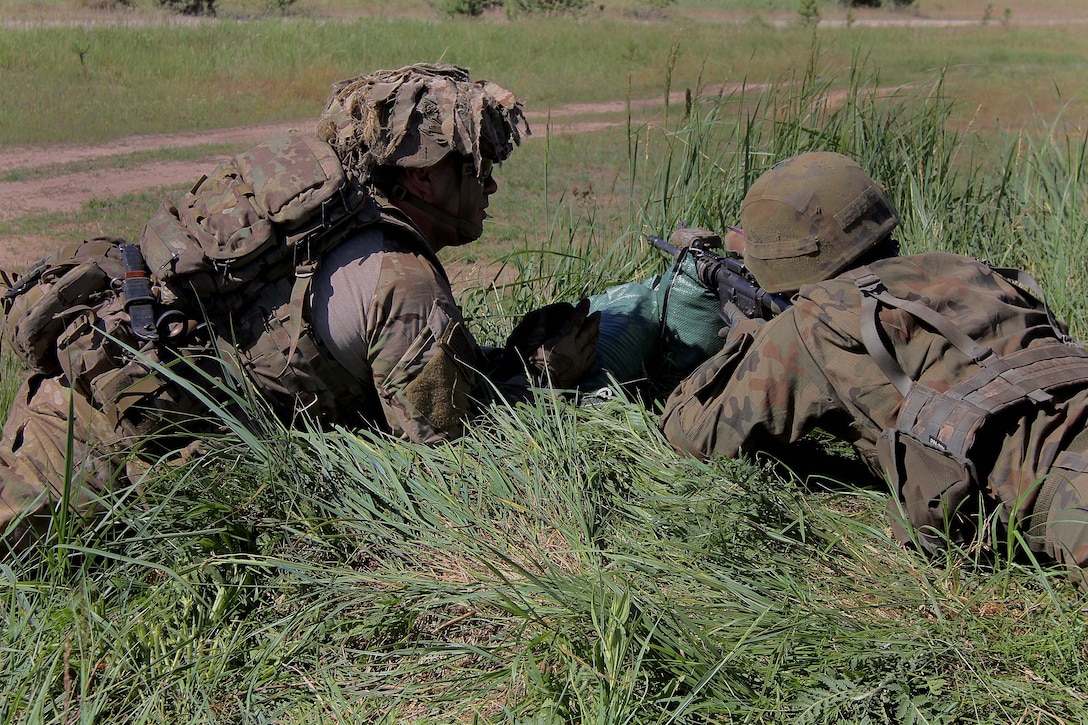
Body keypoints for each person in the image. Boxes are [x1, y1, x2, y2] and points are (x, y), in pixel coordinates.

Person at [0, 63, 600, 554]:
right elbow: (444, 460)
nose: (489, 186)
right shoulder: (406, 284)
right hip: (98, 474)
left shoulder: (322, 213)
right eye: (478, 168)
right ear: (421, 181)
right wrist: (539, 381)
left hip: (60, 401)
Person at [660, 151, 1088, 585]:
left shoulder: (815, 323)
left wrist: (748, 338)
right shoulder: (961, 266)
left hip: (1067, 492)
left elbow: (694, 435)